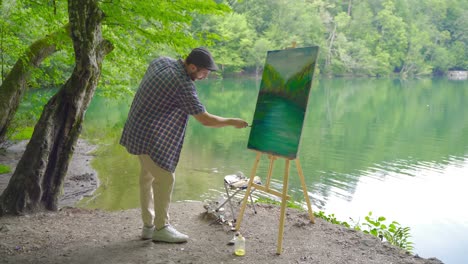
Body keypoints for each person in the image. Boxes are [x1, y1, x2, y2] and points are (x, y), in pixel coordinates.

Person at [120, 47, 248, 243]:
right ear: (192, 67)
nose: (205, 77)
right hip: (148, 136)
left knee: (147, 176)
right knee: (165, 177)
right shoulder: (182, 84)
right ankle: (161, 227)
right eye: (204, 72)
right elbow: (205, 119)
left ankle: (148, 226)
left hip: (136, 128)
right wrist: (233, 121)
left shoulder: (162, 62)